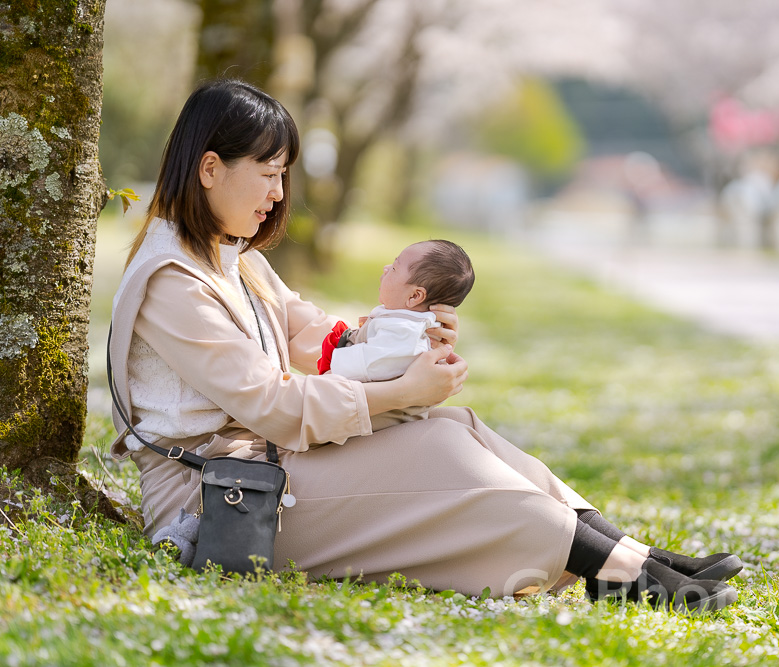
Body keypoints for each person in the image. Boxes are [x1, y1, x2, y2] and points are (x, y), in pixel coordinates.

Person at [107, 78, 743, 613]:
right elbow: (272, 405)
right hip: (218, 497)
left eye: (283, 176)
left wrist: (402, 339)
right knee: (444, 453)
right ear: (210, 167)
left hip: (263, 467)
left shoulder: (227, 255)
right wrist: (400, 392)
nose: (278, 194)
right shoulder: (173, 282)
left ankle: (631, 558)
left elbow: (309, 331)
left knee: (455, 427)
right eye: (268, 175)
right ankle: (625, 574)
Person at [317, 239, 475, 431]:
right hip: (377, 406)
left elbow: (372, 360)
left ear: (414, 297)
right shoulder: (404, 321)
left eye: (394, 268)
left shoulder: (405, 331)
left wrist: (332, 373)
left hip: (381, 420)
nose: (385, 268)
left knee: (460, 423)